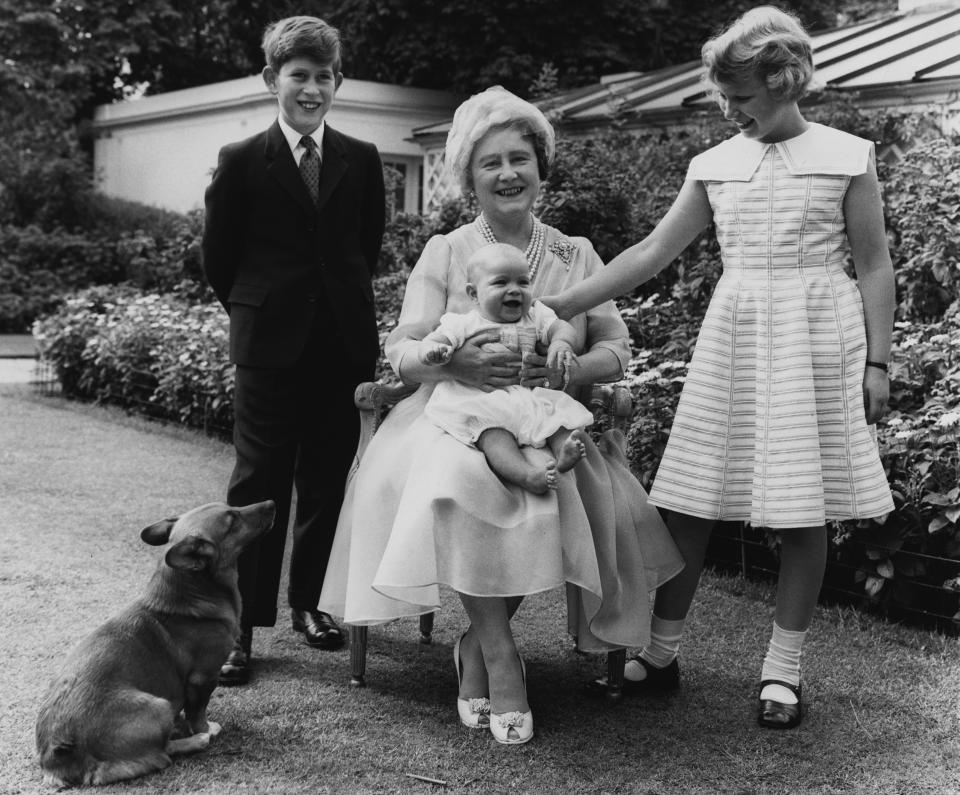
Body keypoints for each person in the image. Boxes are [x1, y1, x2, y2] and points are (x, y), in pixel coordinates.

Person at [541, 6, 895, 730]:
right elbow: (648, 254)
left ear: (784, 79)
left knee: (800, 509)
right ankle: (662, 654)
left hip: (815, 340)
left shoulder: (847, 155)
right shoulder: (715, 167)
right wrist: (560, 302)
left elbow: (874, 263)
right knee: (692, 501)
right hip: (734, 335)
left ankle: (783, 673)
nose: (729, 110)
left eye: (740, 96)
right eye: (725, 97)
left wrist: (880, 361)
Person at [319, 85, 684, 745]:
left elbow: (616, 349)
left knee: (554, 486)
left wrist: (573, 368)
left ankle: (475, 646)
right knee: (459, 485)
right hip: (449, 419)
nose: (508, 173)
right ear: (469, 177)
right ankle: (498, 655)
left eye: (521, 158)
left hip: (544, 418)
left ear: (542, 168)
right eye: (491, 162)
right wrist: (448, 365)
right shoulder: (446, 251)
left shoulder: (575, 252)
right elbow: (401, 347)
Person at [201, 15, 386, 686]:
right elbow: (218, 259)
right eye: (298, 76)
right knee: (258, 483)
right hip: (267, 345)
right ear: (271, 79)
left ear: (338, 82)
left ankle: (310, 602)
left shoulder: (361, 159)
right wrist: (262, 311)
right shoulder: (243, 160)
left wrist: (332, 311)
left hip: (341, 344)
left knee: (326, 476)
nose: (311, 89)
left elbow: (365, 248)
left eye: (323, 77)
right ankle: (240, 628)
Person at [417, 242, 592, 494]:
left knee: (559, 418)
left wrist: (561, 342)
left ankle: (565, 452)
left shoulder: (536, 315)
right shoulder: (464, 323)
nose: (515, 290)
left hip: (528, 395)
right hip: (485, 399)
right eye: (500, 283)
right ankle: (528, 476)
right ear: (474, 293)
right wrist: (434, 352)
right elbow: (434, 341)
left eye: (523, 282)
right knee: (494, 437)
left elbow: (562, 327)